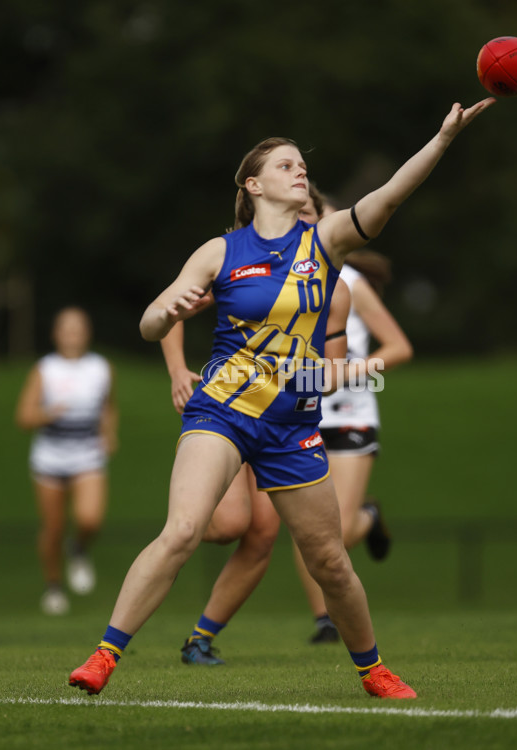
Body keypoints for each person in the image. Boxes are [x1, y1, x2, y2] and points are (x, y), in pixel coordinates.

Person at [68, 97, 494, 700]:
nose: (300, 172)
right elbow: (147, 324)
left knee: (329, 561)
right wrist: (167, 313)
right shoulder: (219, 252)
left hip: (292, 424)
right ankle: (104, 657)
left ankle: (372, 669)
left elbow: (394, 193)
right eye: (286, 165)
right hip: (222, 410)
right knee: (184, 530)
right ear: (254, 184)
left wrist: (444, 137)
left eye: (301, 166)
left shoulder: (326, 242)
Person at [161, 185, 350, 666]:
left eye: (311, 214)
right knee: (226, 524)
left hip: (283, 420)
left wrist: (297, 375)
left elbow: (330, 373)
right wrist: (178, 370)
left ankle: (200, 638)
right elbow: (170, 309)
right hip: (229, 407)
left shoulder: (335, 289)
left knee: (263, 535)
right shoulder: (238, 253)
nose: (302, 220)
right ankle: (174, 529)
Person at [295, 246, 414, 644]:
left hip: (350, 414)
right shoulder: (276, 276)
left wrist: (346, 371)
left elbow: (399, 347)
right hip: (297, 415)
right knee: (304, 526)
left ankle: (368, 516)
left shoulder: (350, 282)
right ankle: (324, 620)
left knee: (338, 530)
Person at [15, 307, 118, 615]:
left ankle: (79, 548)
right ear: (55, 334)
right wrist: (48, 413)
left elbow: (109, 406)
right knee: (53, 527)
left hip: (87, 455)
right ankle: (54, 587)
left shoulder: (101, 368)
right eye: (66, 328)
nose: (73, 334)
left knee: (90, 518)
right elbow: (23, 416)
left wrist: (109, 433)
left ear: (87, 333)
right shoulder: (44, 369)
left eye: (78, 328)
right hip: (50, 458)